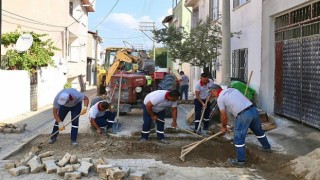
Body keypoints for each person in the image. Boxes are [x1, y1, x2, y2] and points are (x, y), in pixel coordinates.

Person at [209, 84, 271, 166]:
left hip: (243, 114)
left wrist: (224, 127)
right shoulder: (233, 90)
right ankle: (266, 147)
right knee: (258, 130)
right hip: (253, 110)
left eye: (211, 92)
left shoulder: (220, 98)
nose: (211, 95)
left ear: (215, 90)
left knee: (238, 137)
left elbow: (224, 116)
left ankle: (240, 161)